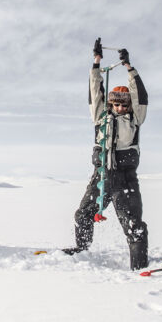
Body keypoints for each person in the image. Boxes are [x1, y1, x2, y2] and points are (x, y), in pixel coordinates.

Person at [66, 38, 150, 270]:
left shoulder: (136, 117)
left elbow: (139, 95)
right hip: (101, 176)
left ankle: (140, 266)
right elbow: (95, 90)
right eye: (116, 104)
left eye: (124, 105)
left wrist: (128, 67)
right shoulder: (101, 116)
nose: (121, 108)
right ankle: (82, 252)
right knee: (83, 214)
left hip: (125, 178)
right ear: (111, 104)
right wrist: (97, 61)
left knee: (133, 224)